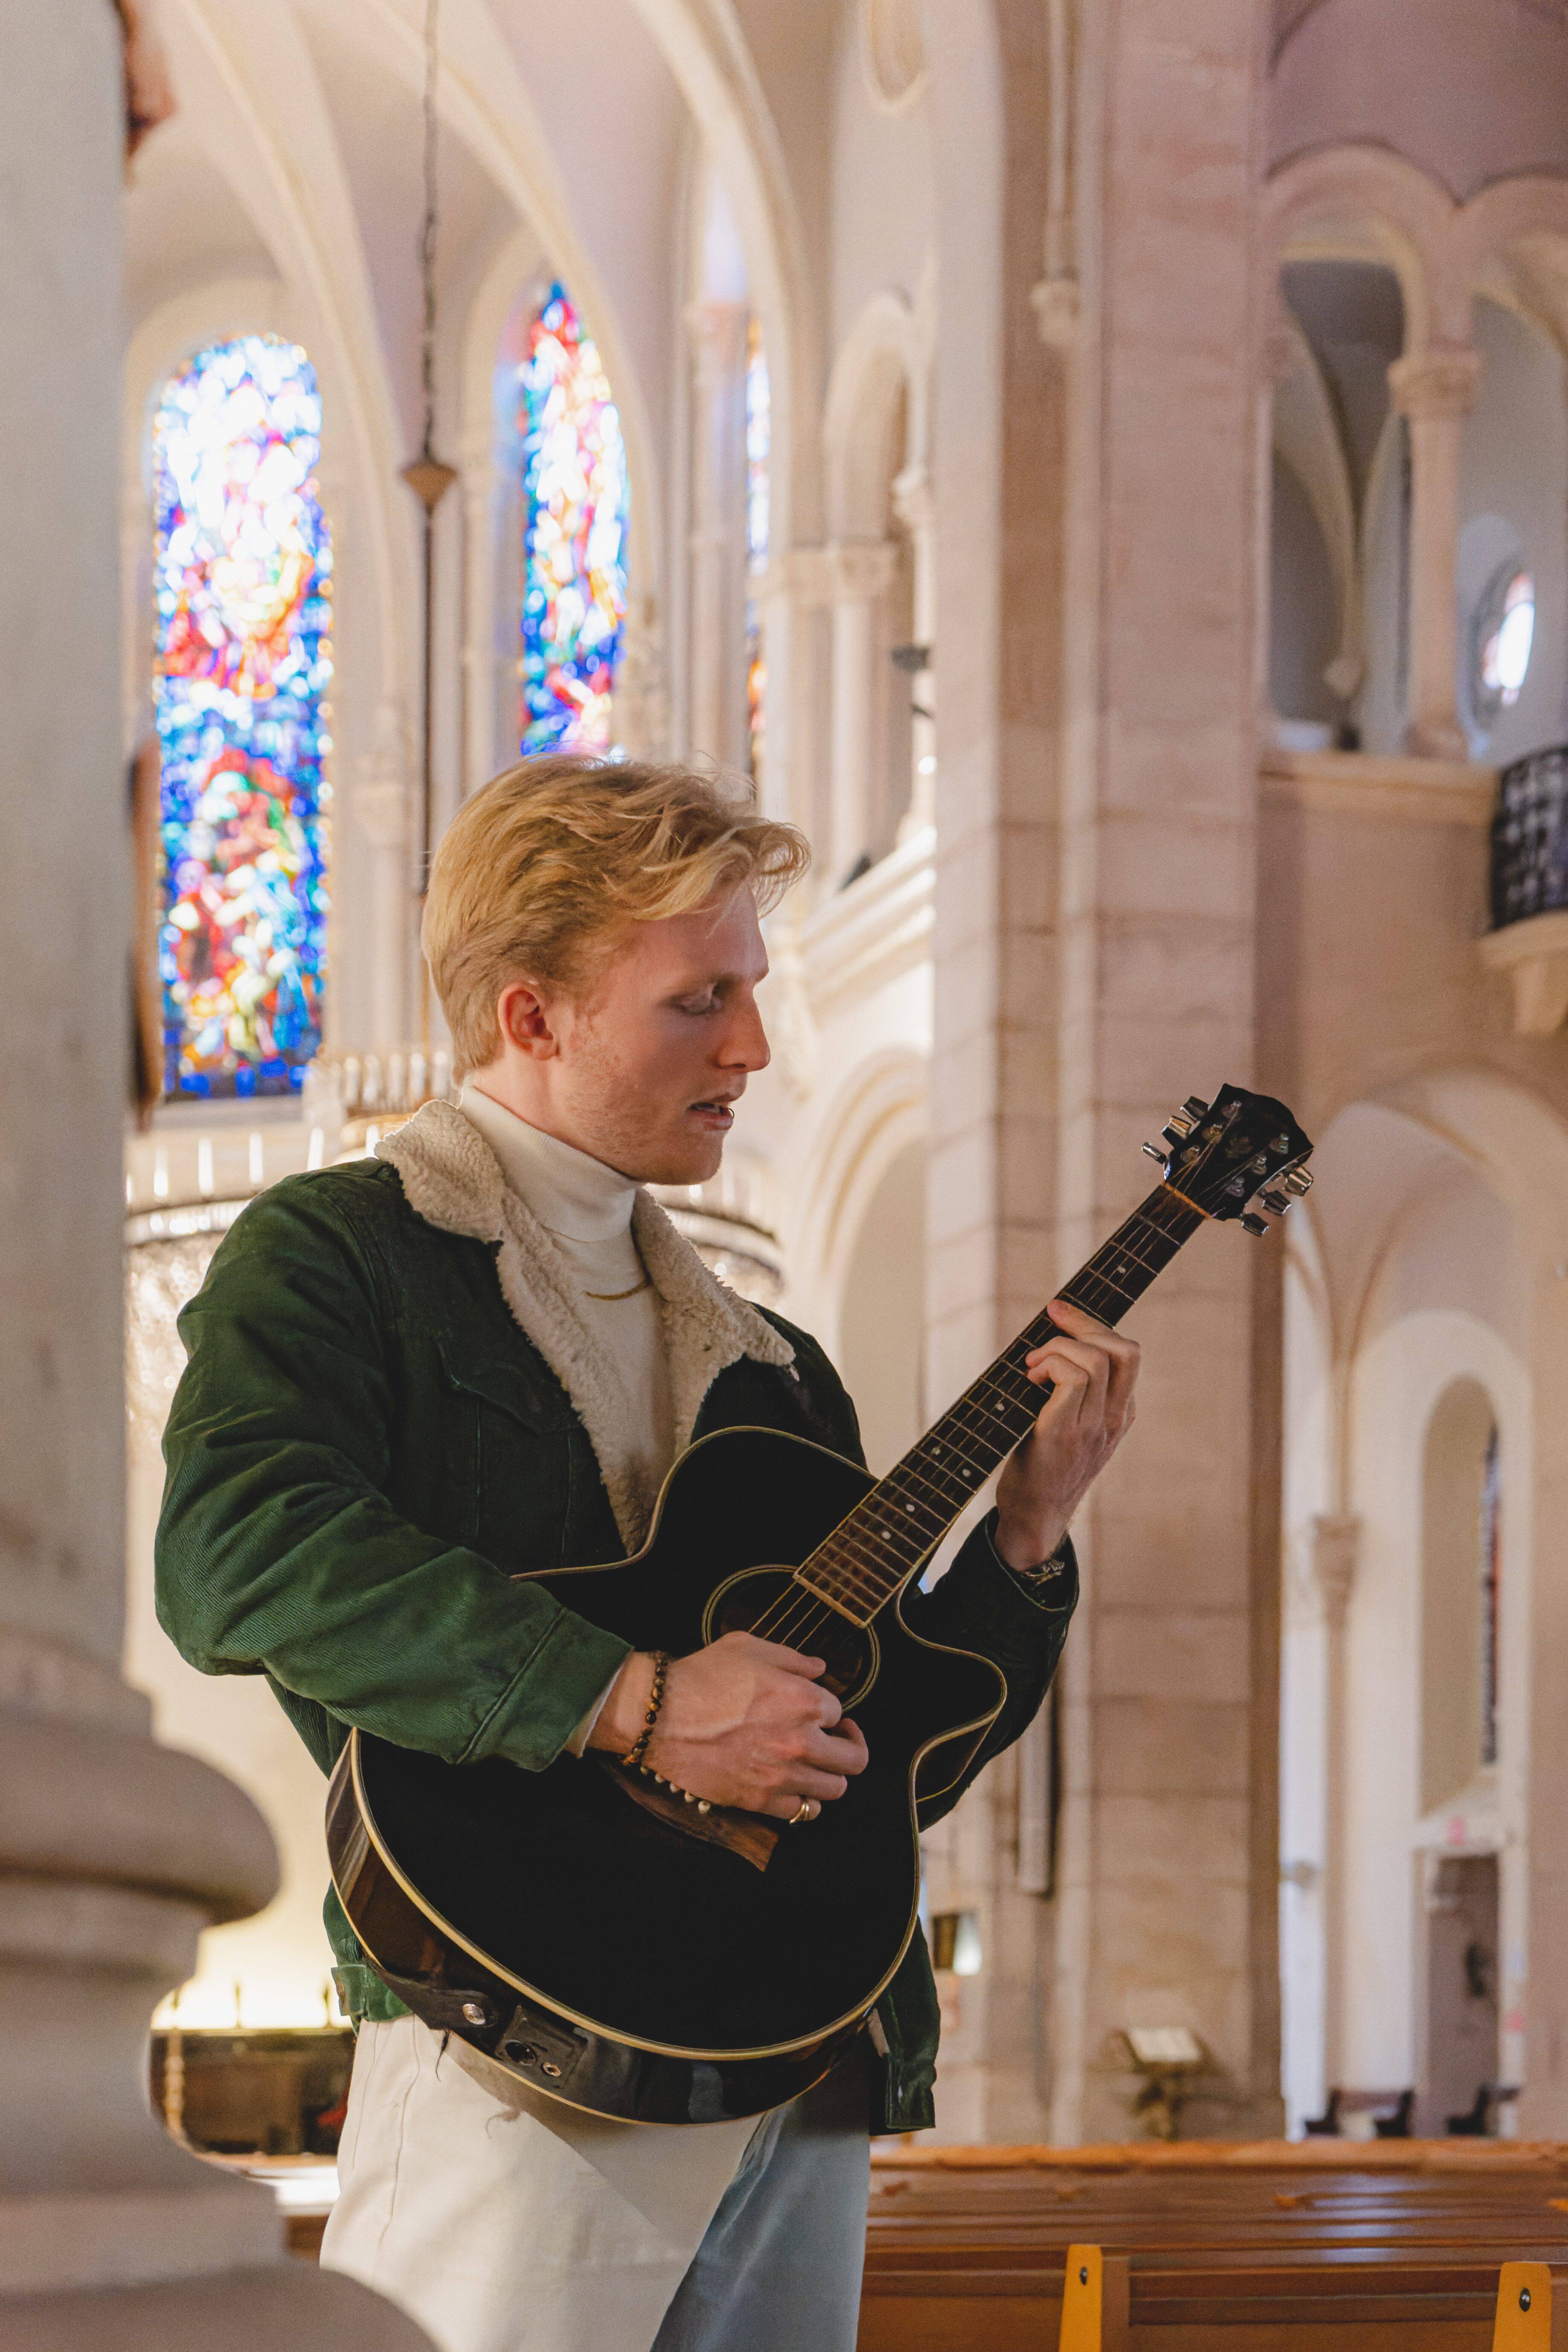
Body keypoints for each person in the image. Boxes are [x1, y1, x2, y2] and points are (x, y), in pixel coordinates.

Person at [155, 756, 1139, 2352]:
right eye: (698, 1002)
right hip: (519, 2036)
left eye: (749, 994)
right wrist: (629, 1697)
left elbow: (871, 1761)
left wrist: (1025, 1540)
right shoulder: (345, 1256)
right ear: (531, 1015)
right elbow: (235, 1554)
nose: (751, 1048)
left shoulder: (773, 1362)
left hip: (802, 2043)